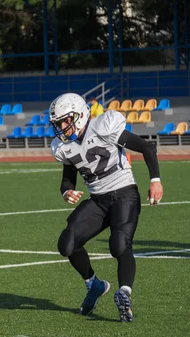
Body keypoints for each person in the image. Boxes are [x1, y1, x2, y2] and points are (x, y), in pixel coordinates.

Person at [49, 92, 163, 323]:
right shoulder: (64, 147)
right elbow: (68, 178)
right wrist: (66, 191)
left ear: (80, 115)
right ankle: (94, 284)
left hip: (124, 194)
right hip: (99, 201)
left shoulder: (103, 126)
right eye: (58, 122)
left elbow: (146, 148)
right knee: (67, 244)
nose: (62, 126)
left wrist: (155, 180)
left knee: (119, 243)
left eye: (65, 120)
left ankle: (124, 293)